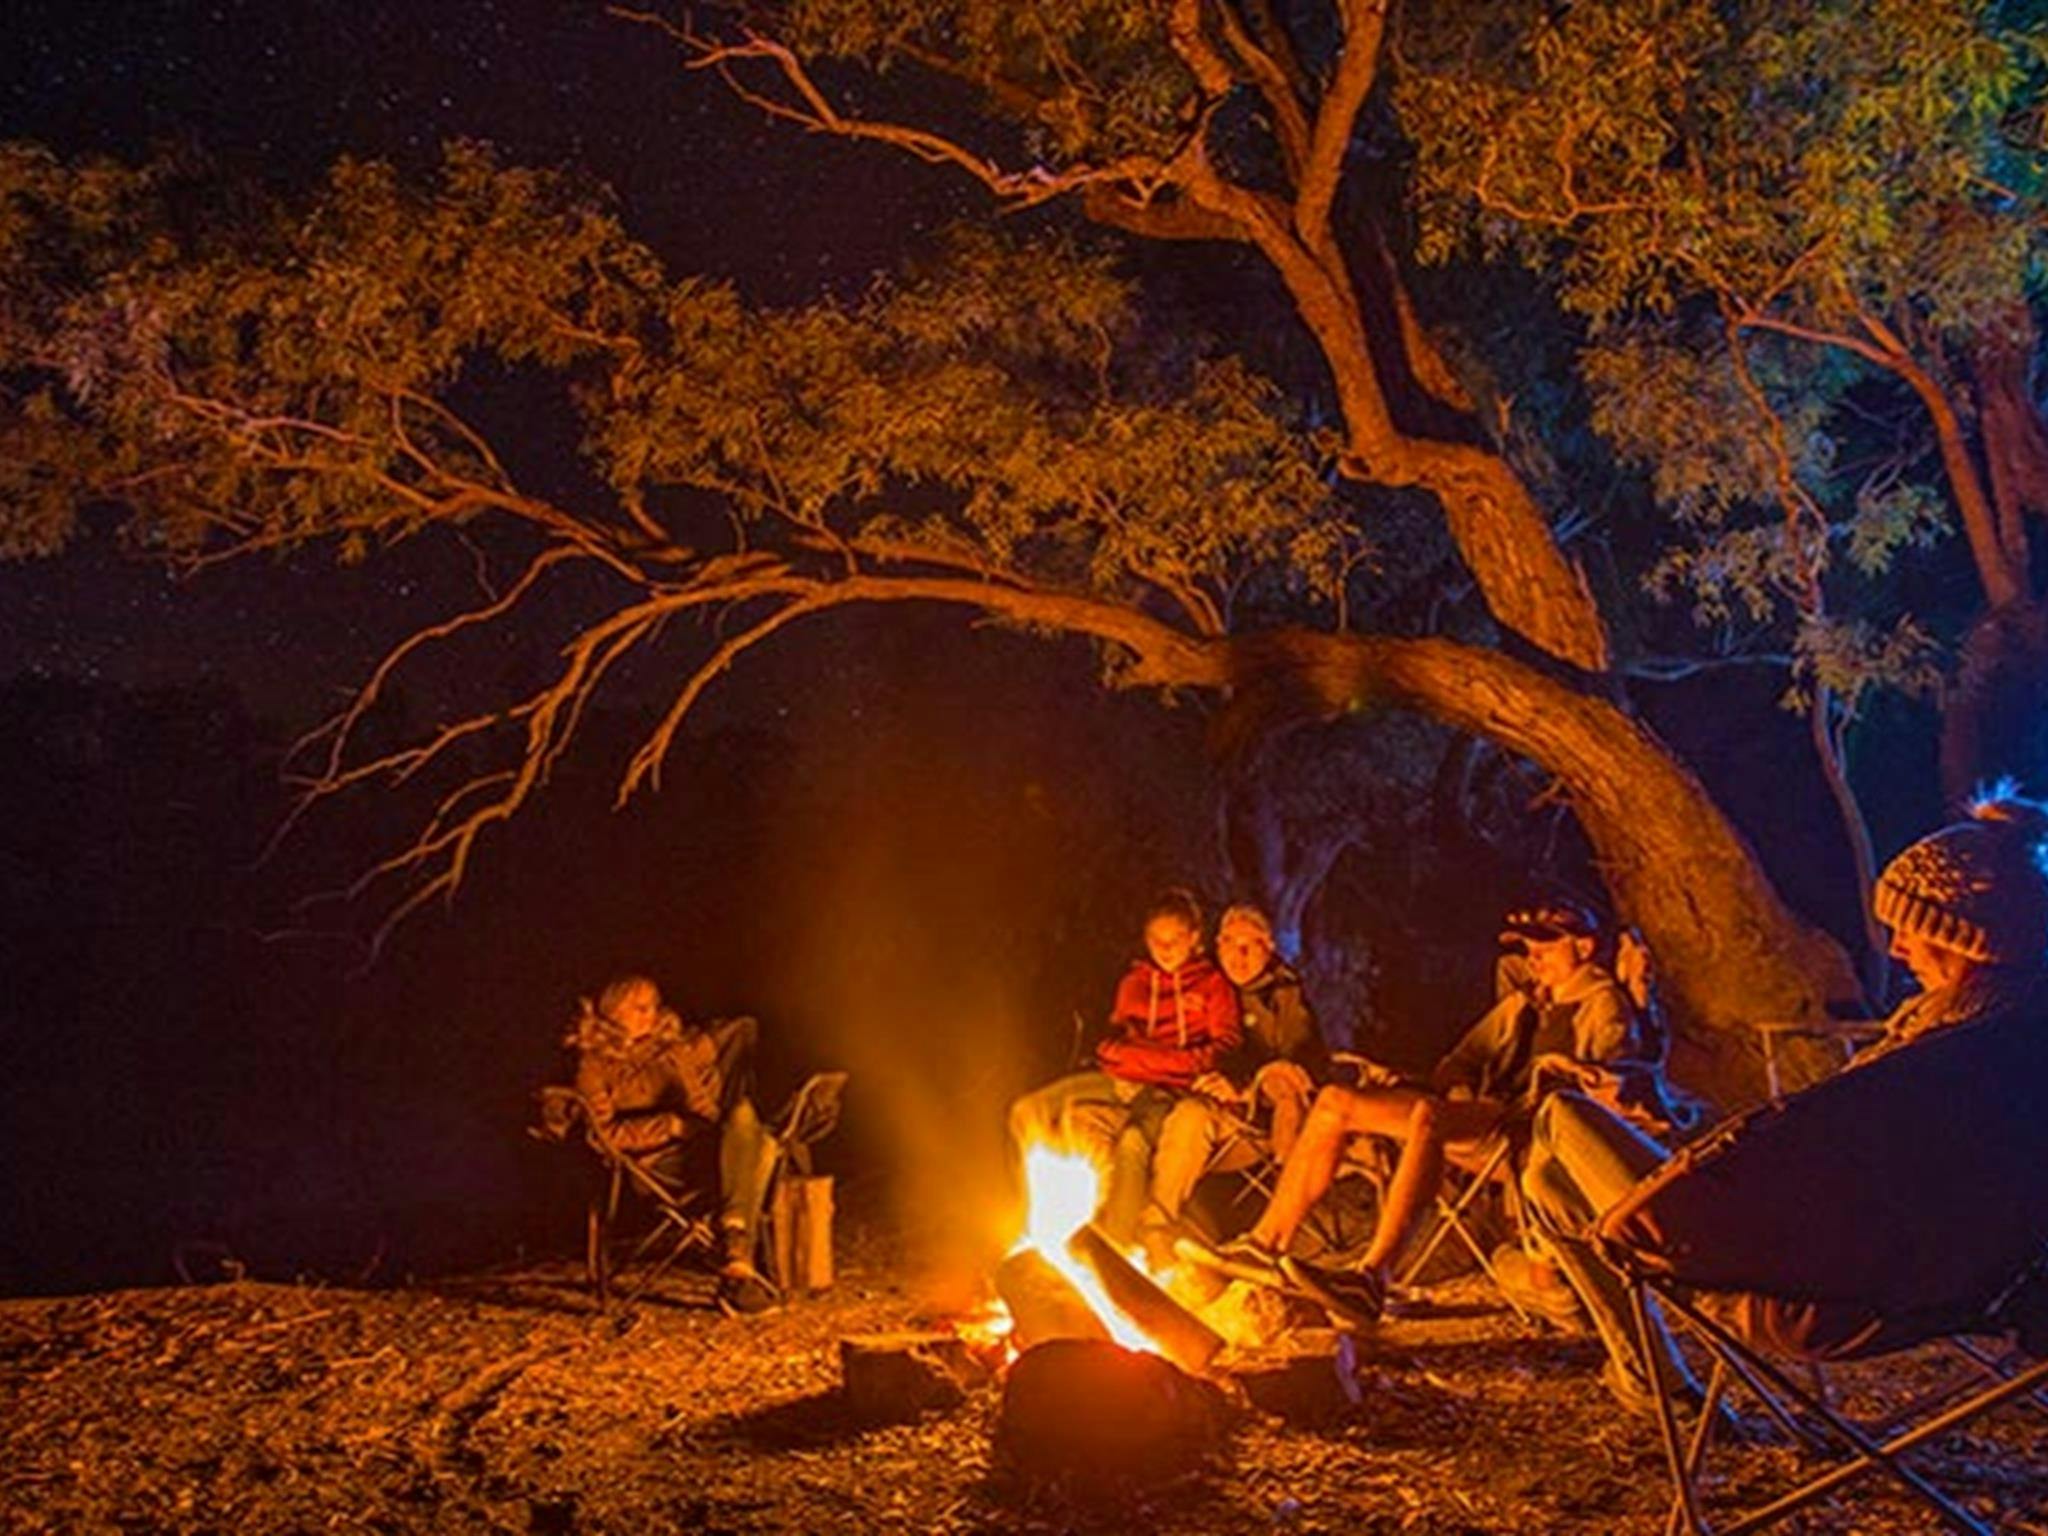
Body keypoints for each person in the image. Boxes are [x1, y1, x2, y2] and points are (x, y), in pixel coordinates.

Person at [1518, 791, 2048, 1412]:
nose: (1898, 949)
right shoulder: (2006, 1053)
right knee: (1550, 1177)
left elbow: (1807, 1165)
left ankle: (1644, 1371)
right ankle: (1648, 1376)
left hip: (1820, 1288)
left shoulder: (1926, 1065)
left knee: (1561, 1122)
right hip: (1947, 1280)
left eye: (1907, 930)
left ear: (1960, 938)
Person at [1211, 898, 1653, 1326]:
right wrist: (1459, 1090)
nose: (1534, 959)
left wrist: (1568, 1071)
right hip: (1475, 1114)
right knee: (1334, 1103)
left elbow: (1603, 1098)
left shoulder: (1602, 1006)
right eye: (1529, 949)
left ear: (1584, 947)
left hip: (1527, 1132)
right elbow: (1461, 1060)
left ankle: (1372, 1279)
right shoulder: (1527, 1002)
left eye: (1546, 948)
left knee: (1429, 1118)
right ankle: (1264, 1243)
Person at [1008, 888, 1241, 1243]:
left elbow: (1222, 1049)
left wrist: (1149, 1061)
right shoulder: (1134, 983)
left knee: (1132, 1142)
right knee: (1026, 1111)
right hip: (1118, 1080)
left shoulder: (1212, 986)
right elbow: (1108, 1044)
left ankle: (1119, 1246)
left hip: (1168, 1092)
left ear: (1194, 937)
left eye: (1175, 940)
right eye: (1155, 940)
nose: (1164, 950)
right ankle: (1034, 1229)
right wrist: (1141, 1059)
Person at [570, 973, 777, 1314]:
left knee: (743, 1115)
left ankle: (735, 1253)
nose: (649, 1014)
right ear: (612, 1011)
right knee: (763, 1149)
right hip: (651, 1166)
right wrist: (669, 1125)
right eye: (638, 1007)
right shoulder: (593, 1064)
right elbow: (604, 1135)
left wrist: (684, 1076)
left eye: (653, 1006)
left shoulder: (672, 1050)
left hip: (697, 1153)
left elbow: (707, 1113)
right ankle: (736, 1256)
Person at [1145, 904, 1329, 1238]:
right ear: (1217, 945)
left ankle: (1278, 1221)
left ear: (1269, 947)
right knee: (1187, 1116)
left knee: (1278, 1081)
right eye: (1229, 944)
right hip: (1195, 1104)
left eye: (1249, 946)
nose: (1237, 956)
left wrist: (1246, 1089)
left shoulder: (1285, 995)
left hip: (1257, 1124)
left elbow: (1300, 1063)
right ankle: (1157, 1228)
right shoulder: (1202, 984)